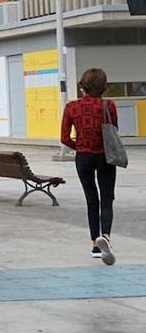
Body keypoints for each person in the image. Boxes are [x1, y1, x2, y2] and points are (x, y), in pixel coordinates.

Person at [60, 67, 118, 265]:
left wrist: (80, 147)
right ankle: (106, 237)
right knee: (107, 199)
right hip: (105, 156)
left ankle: (95, 245)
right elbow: (113, 131)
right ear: (103, 86)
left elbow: (64, 138)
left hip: (83, 157)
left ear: (82, 86)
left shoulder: (71, 107)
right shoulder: (108, 105)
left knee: (91, 200)